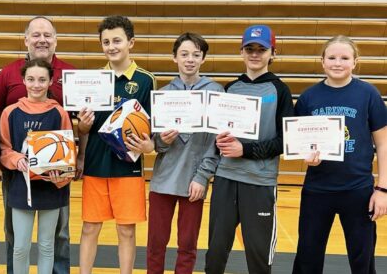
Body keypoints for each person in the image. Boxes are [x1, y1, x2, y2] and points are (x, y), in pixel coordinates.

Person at [0, 16, 74, 274]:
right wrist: (12, 160)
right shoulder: (10, 108)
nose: (37, 85)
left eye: (47, 35)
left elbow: (69, 143)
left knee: (53, 242)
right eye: (36, 34)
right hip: (18, 182)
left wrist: (64, 172)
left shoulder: (61, 107)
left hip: (52, 184)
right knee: (18, 243)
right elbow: (0, 140)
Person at [292, 35, 387, 274]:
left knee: (362, 259)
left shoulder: (368, 94)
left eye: (344, 58)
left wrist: (383, 189)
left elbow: (384, 145)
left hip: (358, 190)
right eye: (331, 57)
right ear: (322, 61)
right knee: (307, 257)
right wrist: (306, 155)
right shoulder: (308, 97)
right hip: (317, 189)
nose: (337, 63)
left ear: (355, 62)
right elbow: (298, 141)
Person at [204, 25, 294, 274]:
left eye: (261, 49)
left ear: (272, 53)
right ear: (241, 52)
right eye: (250, 49)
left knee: (258, 255)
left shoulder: (280, 90)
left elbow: (284, 140)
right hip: (226, 179)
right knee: (215, 253)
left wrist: (244, 149)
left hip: (260, 181)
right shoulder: (230, 89)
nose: (255, 54)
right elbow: (217, 136)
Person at [77, 15, 155, 274]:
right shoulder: (94, 79)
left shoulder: (146, 80)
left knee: (126, 230)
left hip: (127, 167)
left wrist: (148, 145)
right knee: (89, 227)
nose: (111, 46)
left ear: (131, 42)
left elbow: (150, 125)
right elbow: (85, 128)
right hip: (96, 164)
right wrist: (83, 126)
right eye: (106, 42)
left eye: (117, 40)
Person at [147, 32, 223, 274]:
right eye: (184, 54)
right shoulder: (164, 93)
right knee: (155, 244)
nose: (190, 59)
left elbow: (217, 143)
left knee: (187, 246)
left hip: (193, 182)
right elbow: (156, 143)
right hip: (163, 180)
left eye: (196, 55)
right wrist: (163, 141)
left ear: (203, 59)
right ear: (174, 58)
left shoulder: (216, 92)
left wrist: (202, 177)